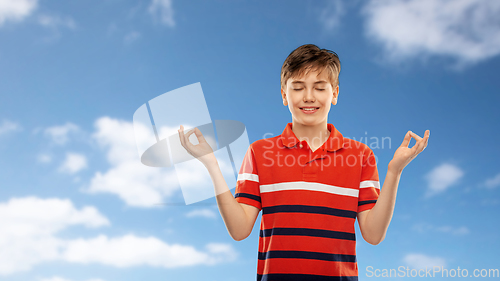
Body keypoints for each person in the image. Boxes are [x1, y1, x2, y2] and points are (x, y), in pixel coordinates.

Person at [178, 44, 430, 281]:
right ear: (284, 95)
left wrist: (394, 171)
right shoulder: (259, 152)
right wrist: (211, 164)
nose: (309, 97)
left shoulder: (361, 155)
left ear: (335, 94)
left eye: (320, 87)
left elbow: (373, 235)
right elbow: (239, 229)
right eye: (298, 87)